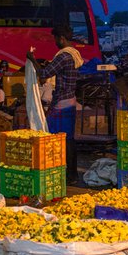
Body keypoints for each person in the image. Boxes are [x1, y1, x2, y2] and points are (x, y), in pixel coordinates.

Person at [27, 24, 83, 184]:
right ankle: (72, 174)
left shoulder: (63, 56)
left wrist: (32, 58)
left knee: (53, 137)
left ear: (62, 38)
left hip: (62, 104)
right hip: (71, 100)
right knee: (69, 139)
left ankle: (64, 173)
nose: (55, 42)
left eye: (56, 39)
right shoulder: (75, 54)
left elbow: (44, 73)